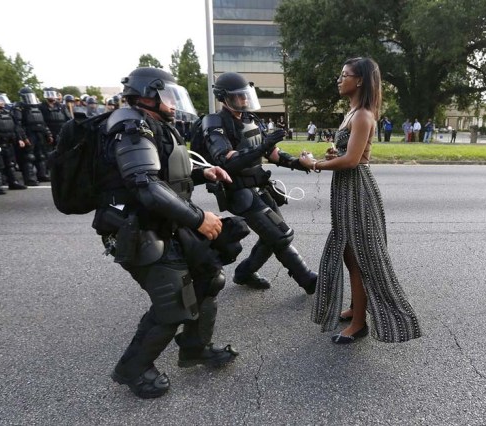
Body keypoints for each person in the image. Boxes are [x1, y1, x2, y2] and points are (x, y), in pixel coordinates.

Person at [93, 67, 246, 399]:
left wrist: (206, 172)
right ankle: (133, 369)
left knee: (209, 277)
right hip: (138, 230)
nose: (174, 104)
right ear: (148, 95)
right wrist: (197, 218)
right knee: (174, 303)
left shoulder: (153, 125)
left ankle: (194, 348)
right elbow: (146, 186)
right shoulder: (131, 127)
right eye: (168, 96)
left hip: (163, 223)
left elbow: (166, 172)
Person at [298, 57, 422, 344]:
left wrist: (314, 163)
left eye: (345, 75)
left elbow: (353, 161)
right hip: (346, 189)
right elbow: (347, 154)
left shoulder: (364, 115)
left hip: (357, 190)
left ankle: (359, 323)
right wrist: (333, 154)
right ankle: (356, 308)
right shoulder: (351, 113)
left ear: (361, 80)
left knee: (360, 258)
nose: (340, 80)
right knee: (348, 252)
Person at [200, 72, 317, 294]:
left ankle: (244, 273)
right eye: (238, 96)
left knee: (271, 236)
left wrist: (297, 163)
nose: (244, 100)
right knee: (280, 235)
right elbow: (226, 160)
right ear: (224, 97)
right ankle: (308, 280)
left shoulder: (250, 119)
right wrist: (262, 147)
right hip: (238, 191)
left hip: (259, 187)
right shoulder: (215, 122)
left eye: (245, 96)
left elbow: (272, 152)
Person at [0, 92, 28, 190]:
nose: (2, 102)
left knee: (10, 164)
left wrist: (19, 139)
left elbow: (15, 127)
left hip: (9, 142)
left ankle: (13, 182)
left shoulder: (7, 112)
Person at [13, 87, 52, 183]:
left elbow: (43, 122)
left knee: (41, 155)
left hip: (40, 133)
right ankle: (29, 178)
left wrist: (48, 134)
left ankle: (42, 174)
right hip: (29, 133)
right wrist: (23, 137)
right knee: (28, 156)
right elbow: (18, 124)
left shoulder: (37, 107)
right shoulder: (19, 107)